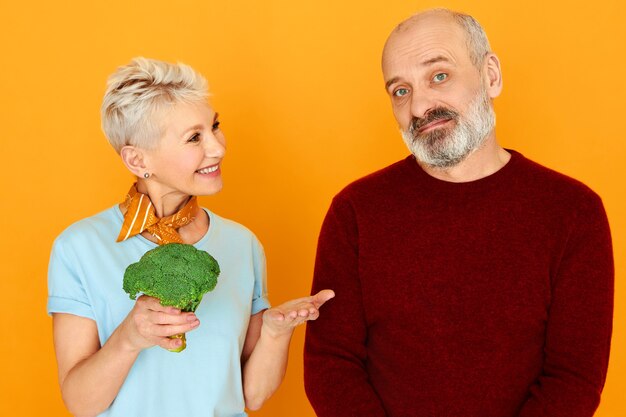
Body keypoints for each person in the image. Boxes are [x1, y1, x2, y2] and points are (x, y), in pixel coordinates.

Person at [304, 8, 613, 417]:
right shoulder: (354, 212)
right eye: (400, 90)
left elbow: (574, 377)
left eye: (439, 76)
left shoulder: (574, 212)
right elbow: (331, 365)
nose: (419, 107)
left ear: (491, 75)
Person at [48, 57, 334, 417]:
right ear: (137, 160)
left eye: (215, 127)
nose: (217, 148)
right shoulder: (79, 248)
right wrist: (129, 338)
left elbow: (252, 395)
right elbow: (80, 403)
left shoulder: (242, 244)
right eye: (194, 137)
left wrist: (276, 334)